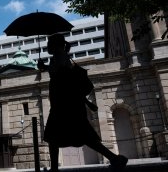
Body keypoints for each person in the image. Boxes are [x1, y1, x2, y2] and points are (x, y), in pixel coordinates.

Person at [37, 33, 128, 172]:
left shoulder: (60, 57)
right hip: (65, 105)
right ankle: (115, 158)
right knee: (76, 136)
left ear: (55, 45)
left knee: (56, 135)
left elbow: (65, 81)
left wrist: (48, 69)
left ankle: (115, 159)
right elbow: (63, 77)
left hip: (64, 106)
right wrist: (45, 68)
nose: (47, 46)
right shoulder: (59, 57)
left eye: (49, 44)